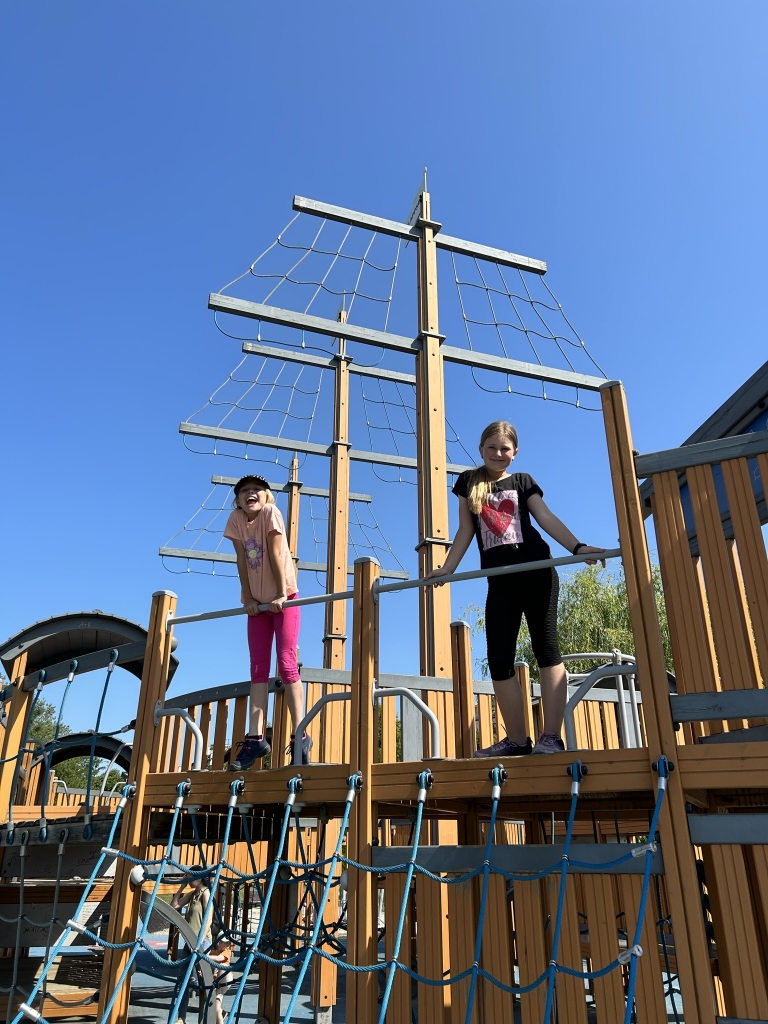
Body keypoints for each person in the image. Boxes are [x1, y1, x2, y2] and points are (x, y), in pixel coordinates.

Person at [426, 420, 604, 756]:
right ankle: (518, 741)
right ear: (481, 449)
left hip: (537, 573)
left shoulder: (522, 481)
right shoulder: (468, 482)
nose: (498, 453)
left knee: (546, 650)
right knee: (499, 659)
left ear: (515, 452)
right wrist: (447, 569)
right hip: (500, 582)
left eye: (504, 448)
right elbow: (465, 529)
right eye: (491, 447)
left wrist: (577, 547)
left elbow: (545, 517)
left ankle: (550, 737)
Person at [223, 474, 311, 769]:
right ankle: (255, 738)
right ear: (238, 500)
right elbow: (241, 560)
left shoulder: (271, 512)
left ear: (266, 496)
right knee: (257, 668)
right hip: (258, 605)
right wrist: (248, 597)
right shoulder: (236, 519)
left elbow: (275, 551)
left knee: (286, 663)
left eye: (257, 490)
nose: (250, 494)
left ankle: (300, 734)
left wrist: (281, 593)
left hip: (284, 598)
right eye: (244, 491)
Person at [171, 867, 211, 1024]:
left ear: (199, 878)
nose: (187, 880)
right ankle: (182, 1018)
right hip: (189, 942)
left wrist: (200, 940)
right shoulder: (192, 894)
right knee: (183, 980)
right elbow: (174, 906)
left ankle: (207, 1016)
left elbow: (208, 918)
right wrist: (181, 886)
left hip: (201, 943)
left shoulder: (206, 893)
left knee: (201, 981)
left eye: (189, 877)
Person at [206, 935, 234, 1024]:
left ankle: (220, 1013)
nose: (228, 945)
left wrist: (204, 956)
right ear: (219, 943)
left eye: (229, 943)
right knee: (216, 1007)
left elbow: (219, 958)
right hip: (216, 984)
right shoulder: (213, 952)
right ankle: (222, 1013)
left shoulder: (227, 951)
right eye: (226, 943)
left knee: (224, 966)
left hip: (225, 979)